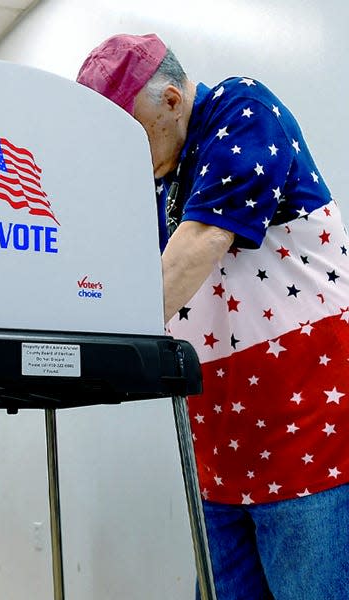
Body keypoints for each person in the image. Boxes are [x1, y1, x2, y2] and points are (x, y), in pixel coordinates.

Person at [77, 33, 349, 599]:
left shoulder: (243, 108)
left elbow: (202, 239)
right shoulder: (159, 177)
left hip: (306, 439)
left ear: (174, 100)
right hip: (221, 445)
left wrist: (97, 351)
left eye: (130, 133)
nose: (123, 154)